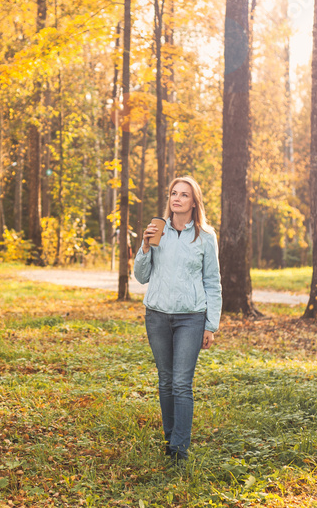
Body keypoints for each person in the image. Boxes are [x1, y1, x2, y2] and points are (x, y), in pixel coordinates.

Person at [133, 175, 222, 463]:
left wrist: (211, 325)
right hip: (157, 316)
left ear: (194, 202)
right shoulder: (158, 232)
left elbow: (212, 282)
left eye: (184, 195)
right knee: (166, 381)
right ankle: (170, 438)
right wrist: (145, 248)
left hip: (191, 318)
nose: (177, 198)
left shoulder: (206, 237)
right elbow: (141, 276)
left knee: (182, 383)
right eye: (174, 193)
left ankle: (179, 449)